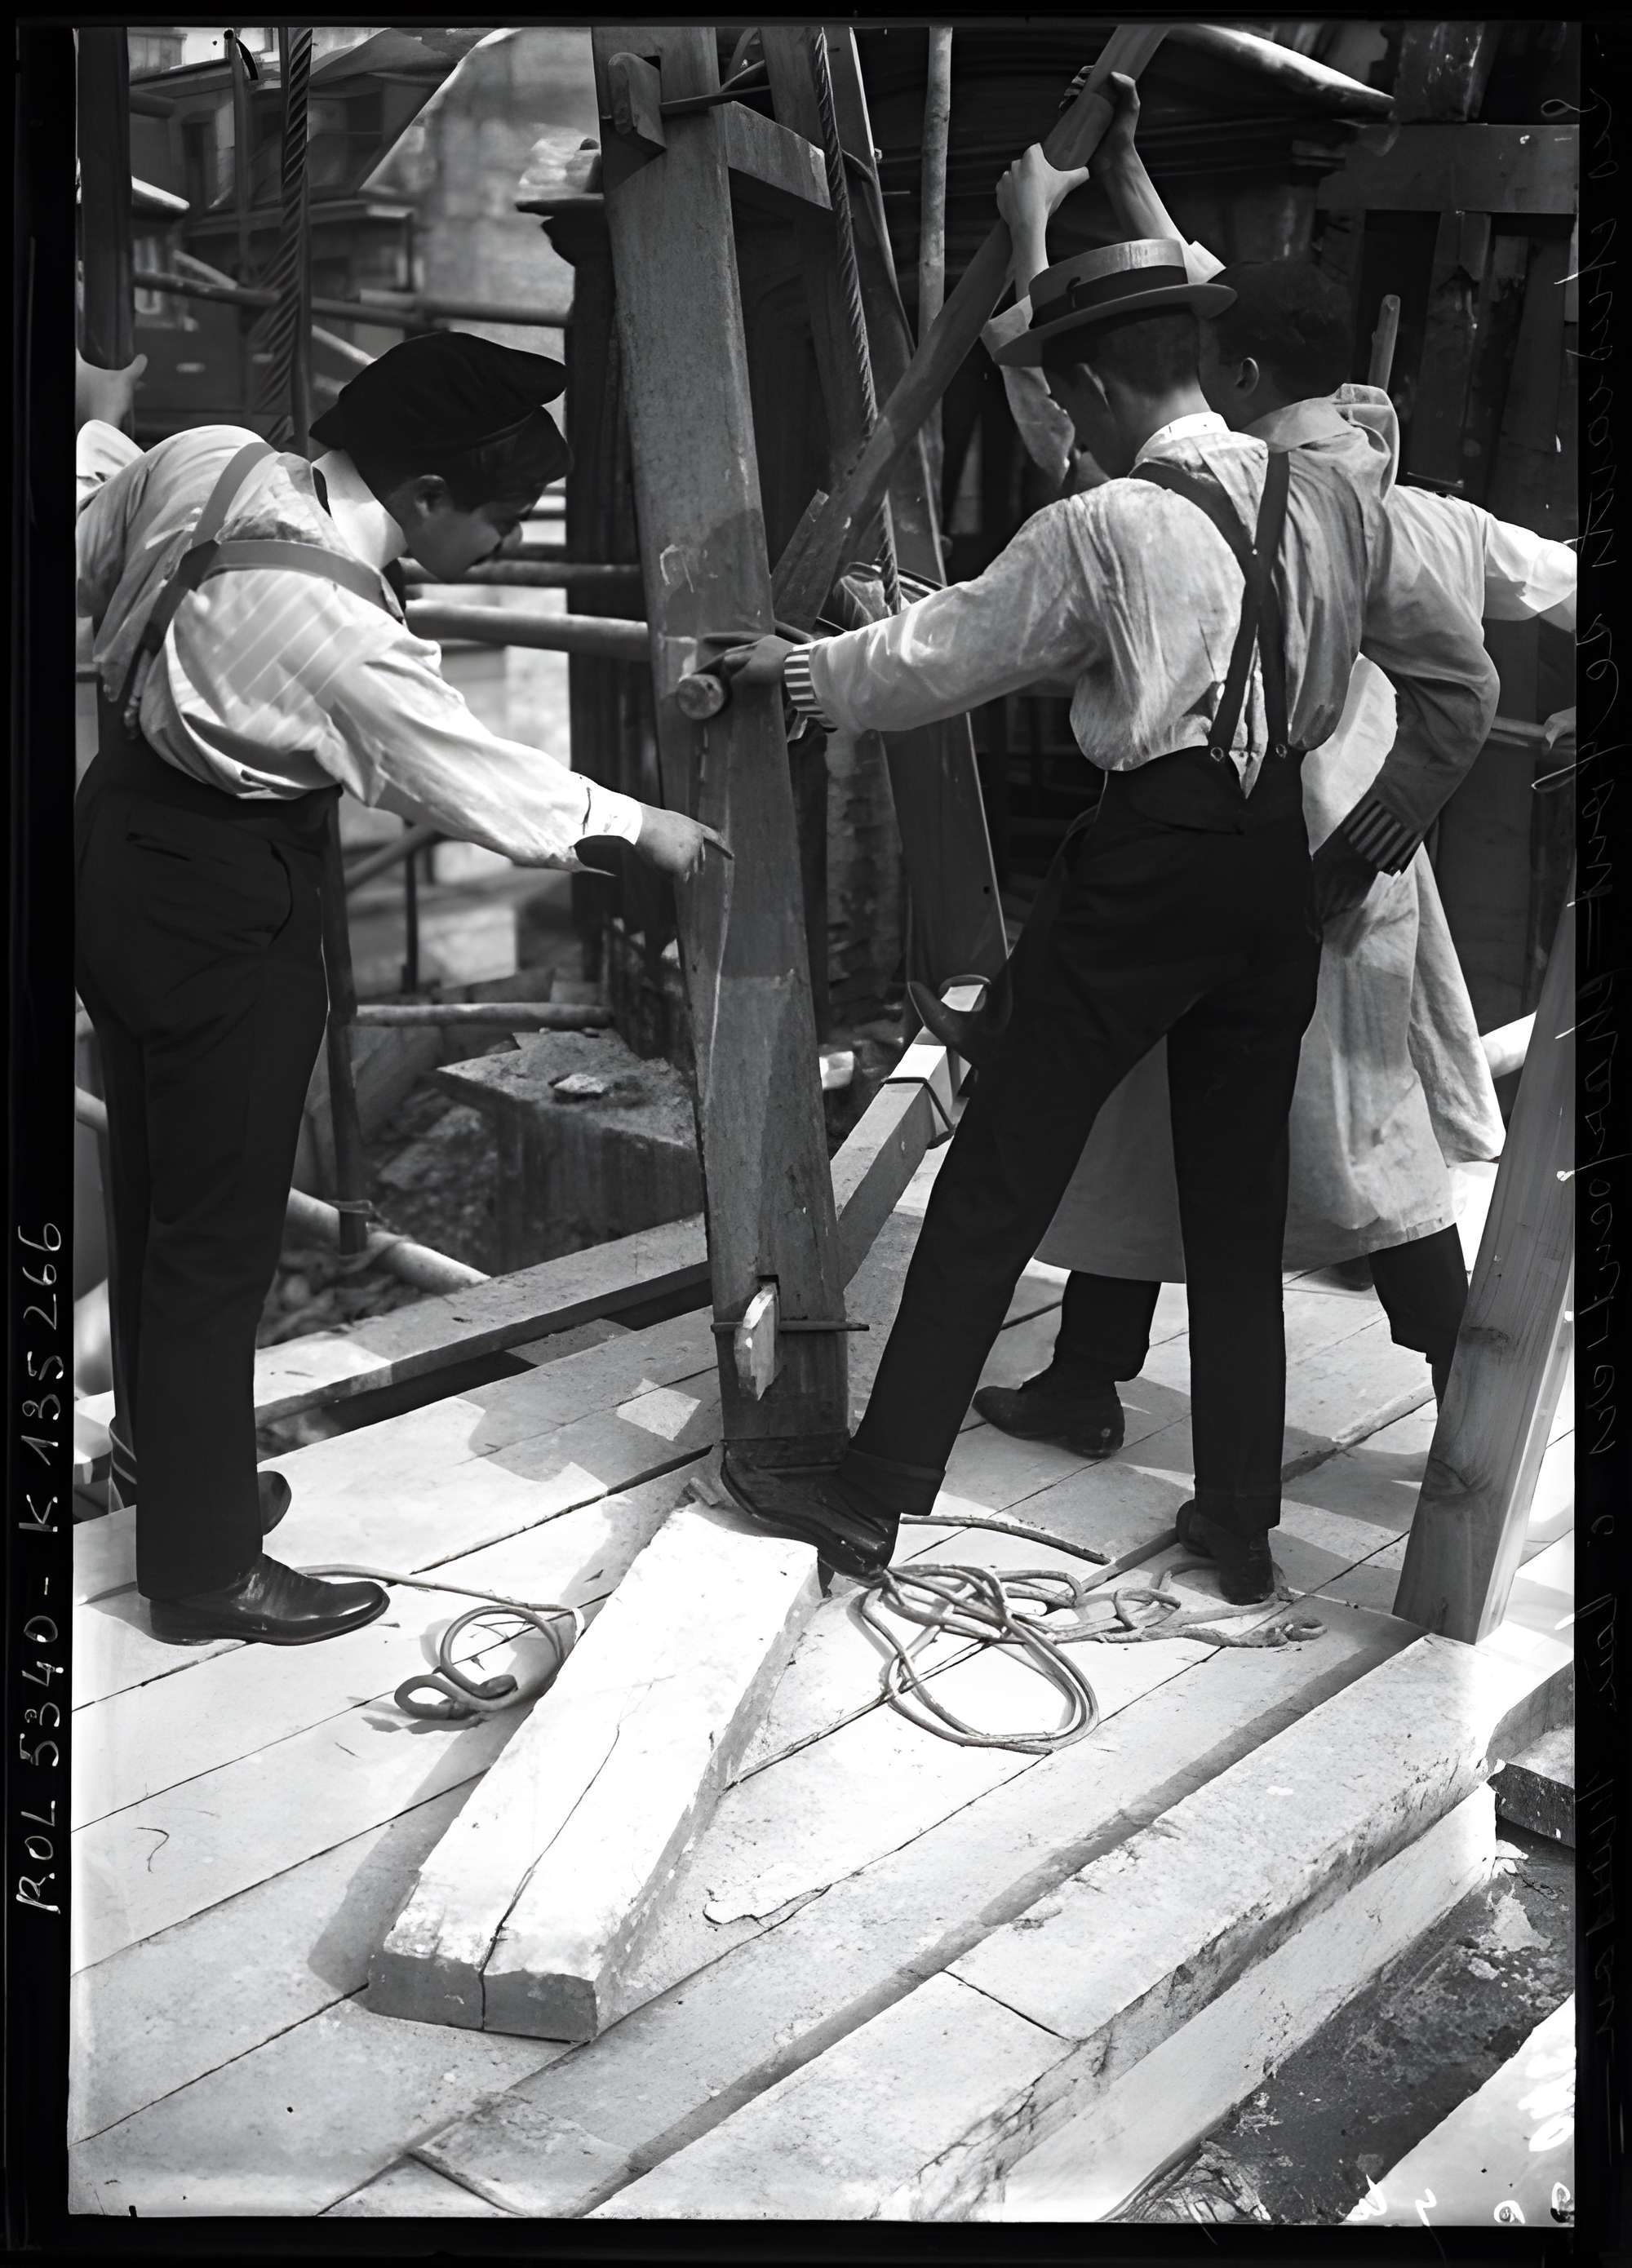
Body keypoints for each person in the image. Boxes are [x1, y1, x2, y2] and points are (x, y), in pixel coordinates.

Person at [712, 229, 1498, 1606]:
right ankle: (1242, 1531)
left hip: (1152, 859)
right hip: (1273, 865)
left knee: (998, 1172)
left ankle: (871, 1492)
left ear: (1083, 395)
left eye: (1064, 401)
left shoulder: (1104, 523)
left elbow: (941, 652)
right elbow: (1455, 680)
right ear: (1197, 361)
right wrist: (1374, 833)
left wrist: (807, 674)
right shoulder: (1333, 497)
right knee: (1237, 1209)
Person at [75, 333, 725, 1648]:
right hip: (219, 896)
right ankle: (201, 1571)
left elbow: (91, 543)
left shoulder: (206, 463)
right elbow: (469, 774)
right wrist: (638, 824)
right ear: (424, 495)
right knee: (220, 1246)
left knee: (156, 1196)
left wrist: (102, 437)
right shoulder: (337, 622)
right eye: (498, 518)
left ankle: (164, 1475)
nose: (500, 543)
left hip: (114, 842)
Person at [970, 82, 1576, 1462]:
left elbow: (1079, 420)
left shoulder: (1268, 497)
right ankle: (1093, 1370)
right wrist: (1118, 190)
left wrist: (1027, 240)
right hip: (1333, 861)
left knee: (1352, 1154)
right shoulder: (1401, 498)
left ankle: (1470, 1400)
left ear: (1237, 385)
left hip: (1292, 851)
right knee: (1226, 1127)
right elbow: (1548, 580)